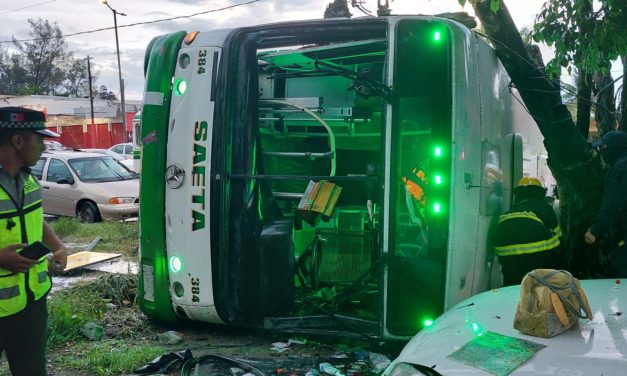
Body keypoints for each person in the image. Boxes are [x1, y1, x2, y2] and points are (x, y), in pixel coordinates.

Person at [0, 107, 67, 375]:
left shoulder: (29, 182)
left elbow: (36, 220)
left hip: (31, 303)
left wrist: (59, 247)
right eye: (38, 140)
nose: (43, 147)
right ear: (18, 141)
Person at [493, 177, 563, 286]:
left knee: (512, 278)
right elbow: (558, 234)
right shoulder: (544, 207)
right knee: (555, 245)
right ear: (539, 192)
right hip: (534, 253)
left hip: (504, 250)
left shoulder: (513, 209)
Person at [585, 130, 627, 277]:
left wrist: (596, 229)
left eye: (603, 148)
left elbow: (613, 205)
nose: (601, 153)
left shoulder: (621, 170)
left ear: (614, 149)